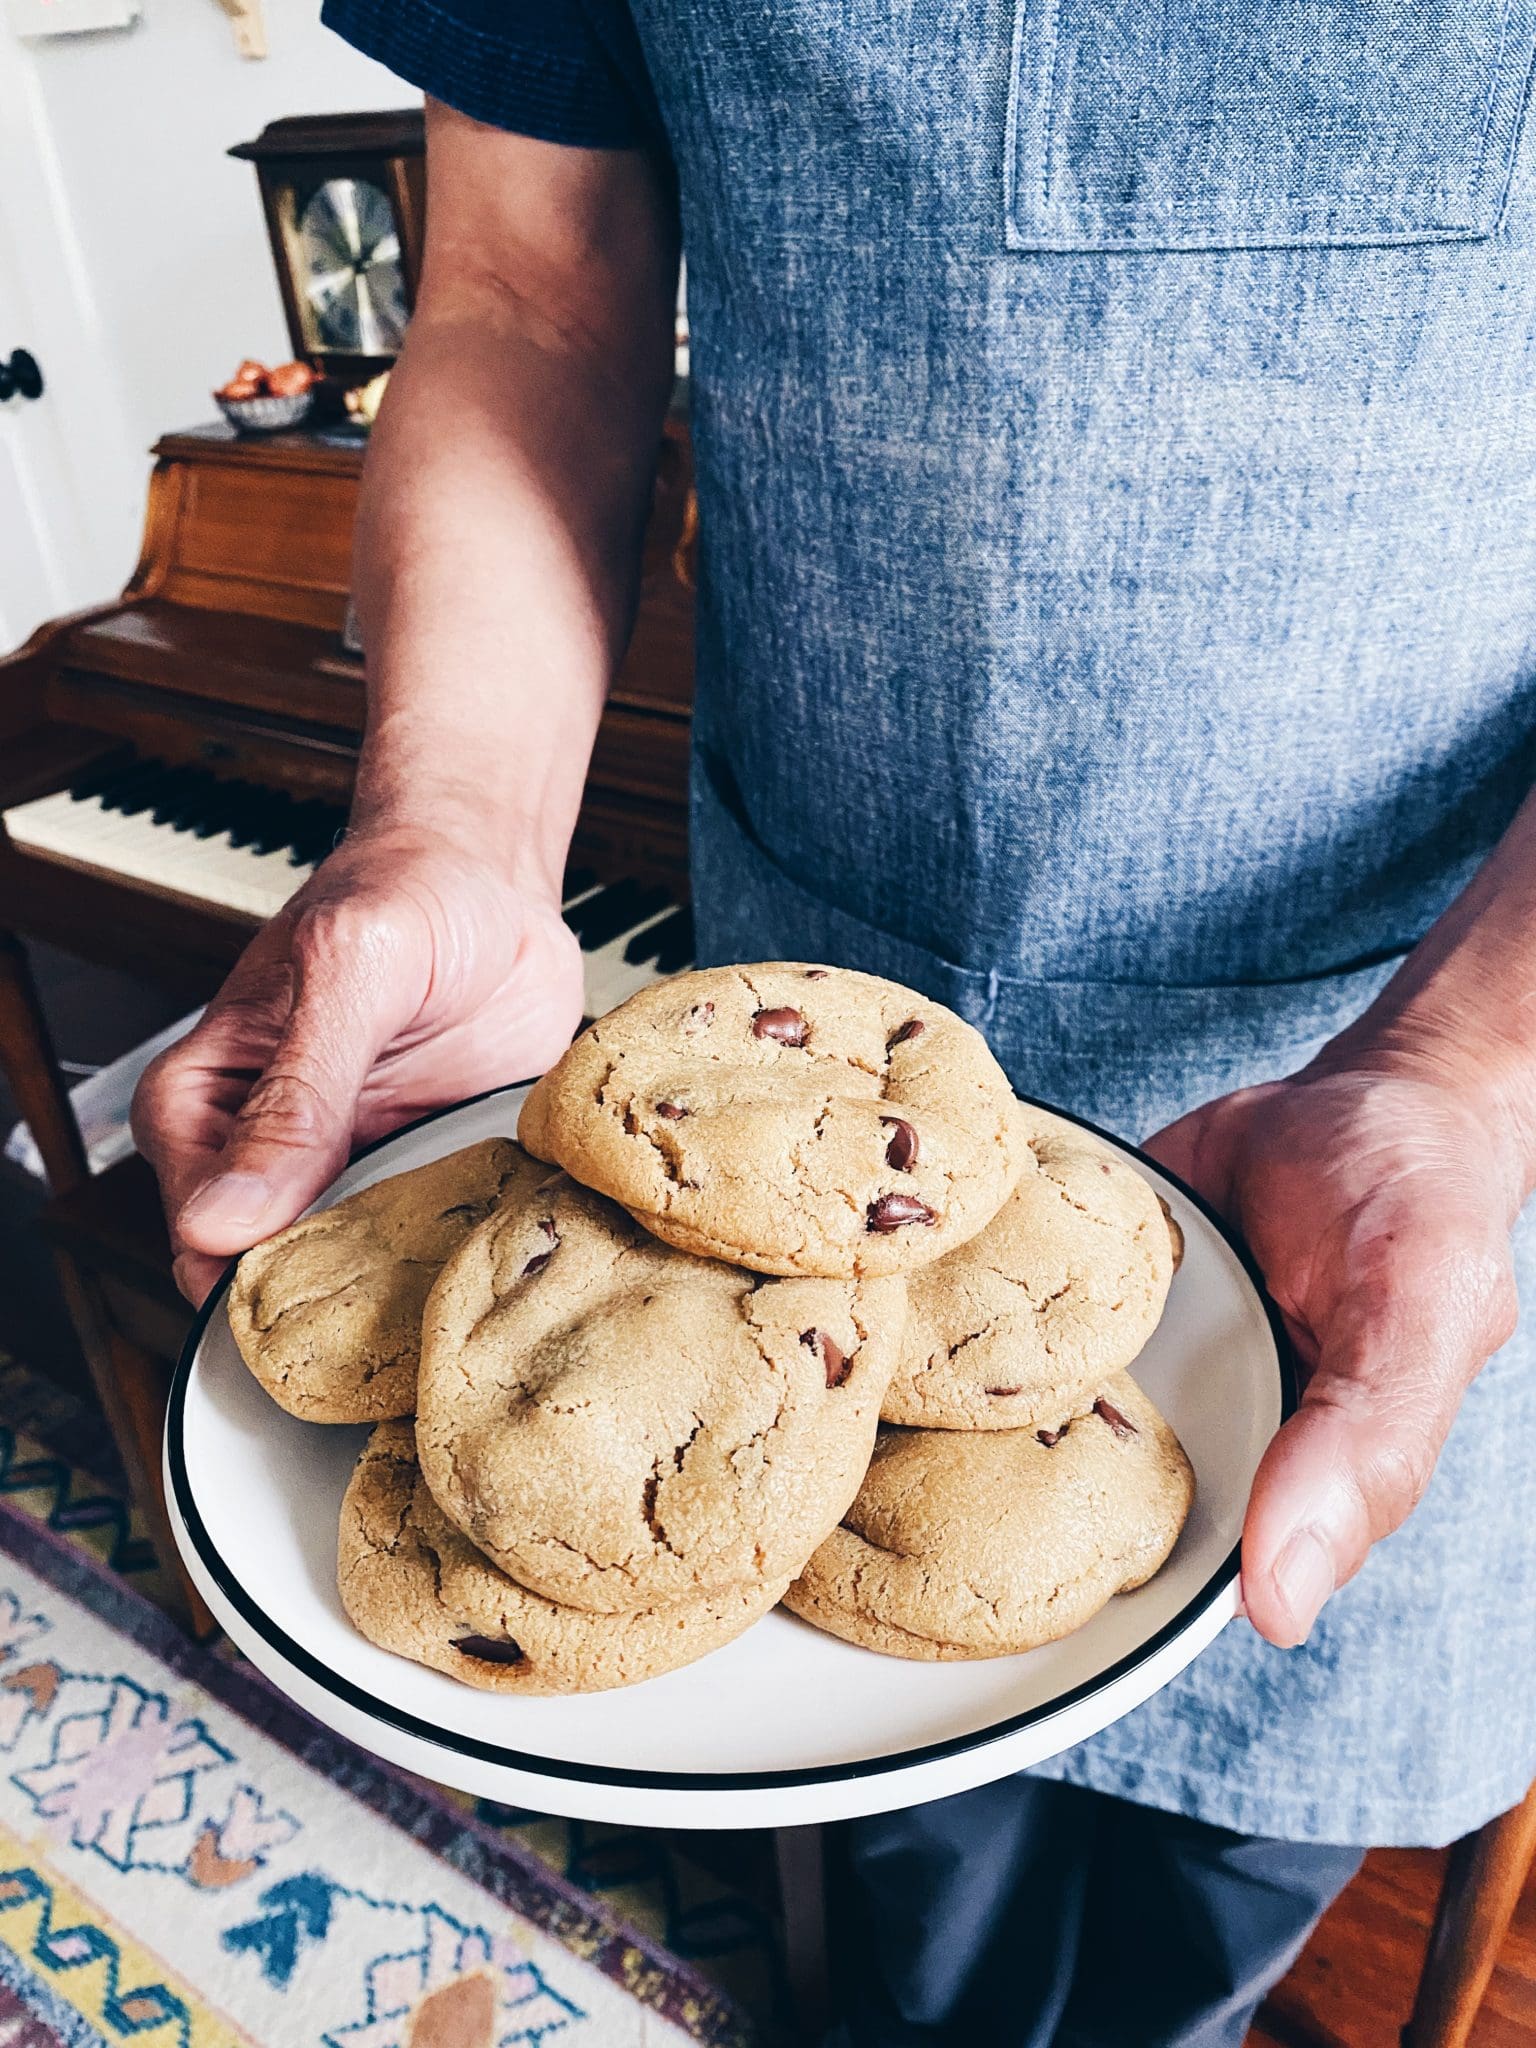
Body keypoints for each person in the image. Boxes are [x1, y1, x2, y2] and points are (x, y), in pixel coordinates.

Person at [133, 6, 1536, 2042]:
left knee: (1219, 1897)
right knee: (903, 1860)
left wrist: (1468, 1064)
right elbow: (530, 297)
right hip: (799, 995)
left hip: (1434, 1090)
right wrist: (449, 828)